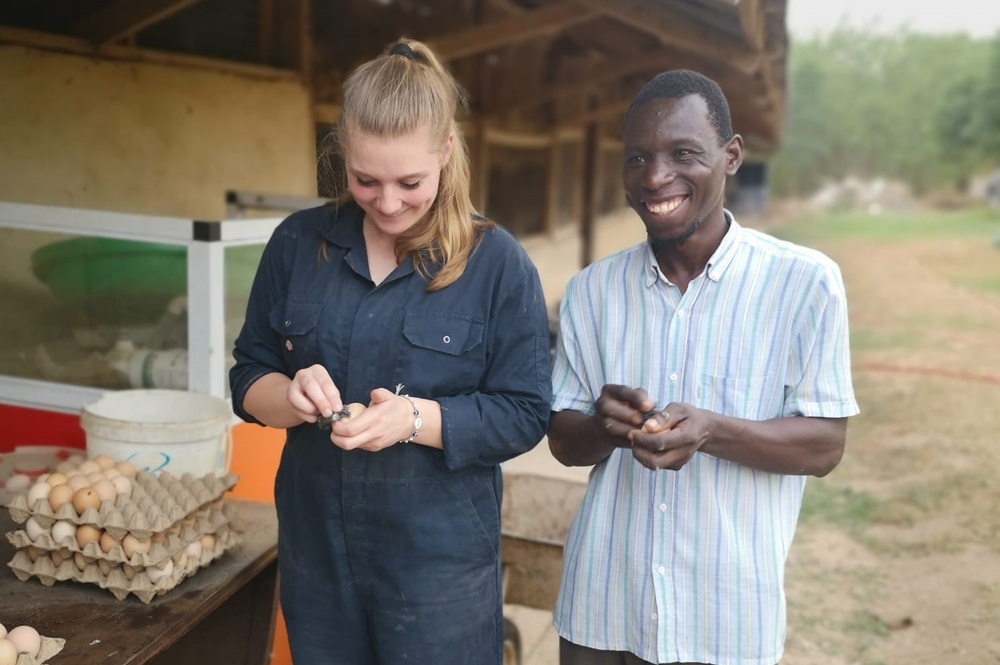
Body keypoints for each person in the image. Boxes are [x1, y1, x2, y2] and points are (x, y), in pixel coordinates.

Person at [229, 39, 552, 665]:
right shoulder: (299, 243)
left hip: (438, 570)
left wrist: (415, 419)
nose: (388, 202)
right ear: (342, 155)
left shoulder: (496, 263)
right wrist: (291, 398)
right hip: (317, 557)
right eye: (365, 180)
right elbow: (248, 373)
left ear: (447, 152)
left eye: (411, 182)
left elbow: (525, 411)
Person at [547, 69, 860, 665]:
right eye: (637, 158)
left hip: (726, 619)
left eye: (683, 153)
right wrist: (602, 427)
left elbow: (824, 446)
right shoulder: (591, 292)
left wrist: (712, 431)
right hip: (602, 611)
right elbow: (564, 442)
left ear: (731, 156)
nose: (656, 177)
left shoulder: (803, 284)